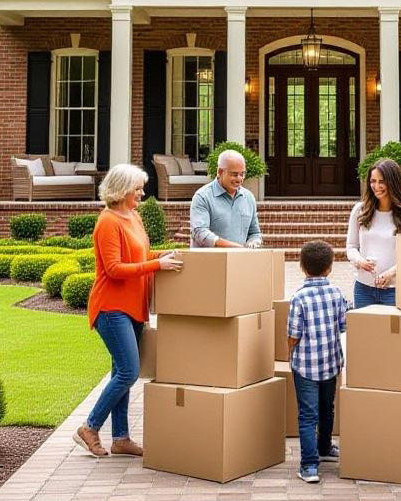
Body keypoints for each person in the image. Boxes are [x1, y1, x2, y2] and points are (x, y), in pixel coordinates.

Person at [73, 164, 184, 458]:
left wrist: (164, 255)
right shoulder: (108, 222)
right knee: (128, 371)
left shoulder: (133, 216)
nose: (142, 193)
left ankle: (121, 438)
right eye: (138, 188)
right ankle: (90, 427)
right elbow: (114, 269)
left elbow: (141, 255)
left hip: (134, 308)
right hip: (111, 308)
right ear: (122, 190)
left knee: (120, 372)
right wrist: (156, 265)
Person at [287, 240, 348, 484]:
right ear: (329, 268)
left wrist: (290, 352)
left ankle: (309, 466)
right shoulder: (337, 293)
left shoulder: (298, 298)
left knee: (307, 415)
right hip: (330, 363)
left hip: (305, 367)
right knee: (327, 408)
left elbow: (293, 335)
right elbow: (343, 325)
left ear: (302, 267)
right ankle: (325, 448)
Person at [346, 158, 401, 308]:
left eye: (382, 181)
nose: (376, 186)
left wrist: (390, 274)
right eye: (373, 181)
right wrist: (360, 261)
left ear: (393, 183)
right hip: (363, 289)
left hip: (394, 290)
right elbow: (351, 246)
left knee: (392, 332)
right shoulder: (360, 210)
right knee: (364, 331)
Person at [190, 149, 263, 248]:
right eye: (234, 174)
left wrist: (254, 242)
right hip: (209, 261)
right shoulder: (202, 197)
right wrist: (234, 247)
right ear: (220, 172)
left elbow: (254, 233)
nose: (239, 179)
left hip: (239, 261)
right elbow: (200, 233)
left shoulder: (248, 197)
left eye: (242, 174)